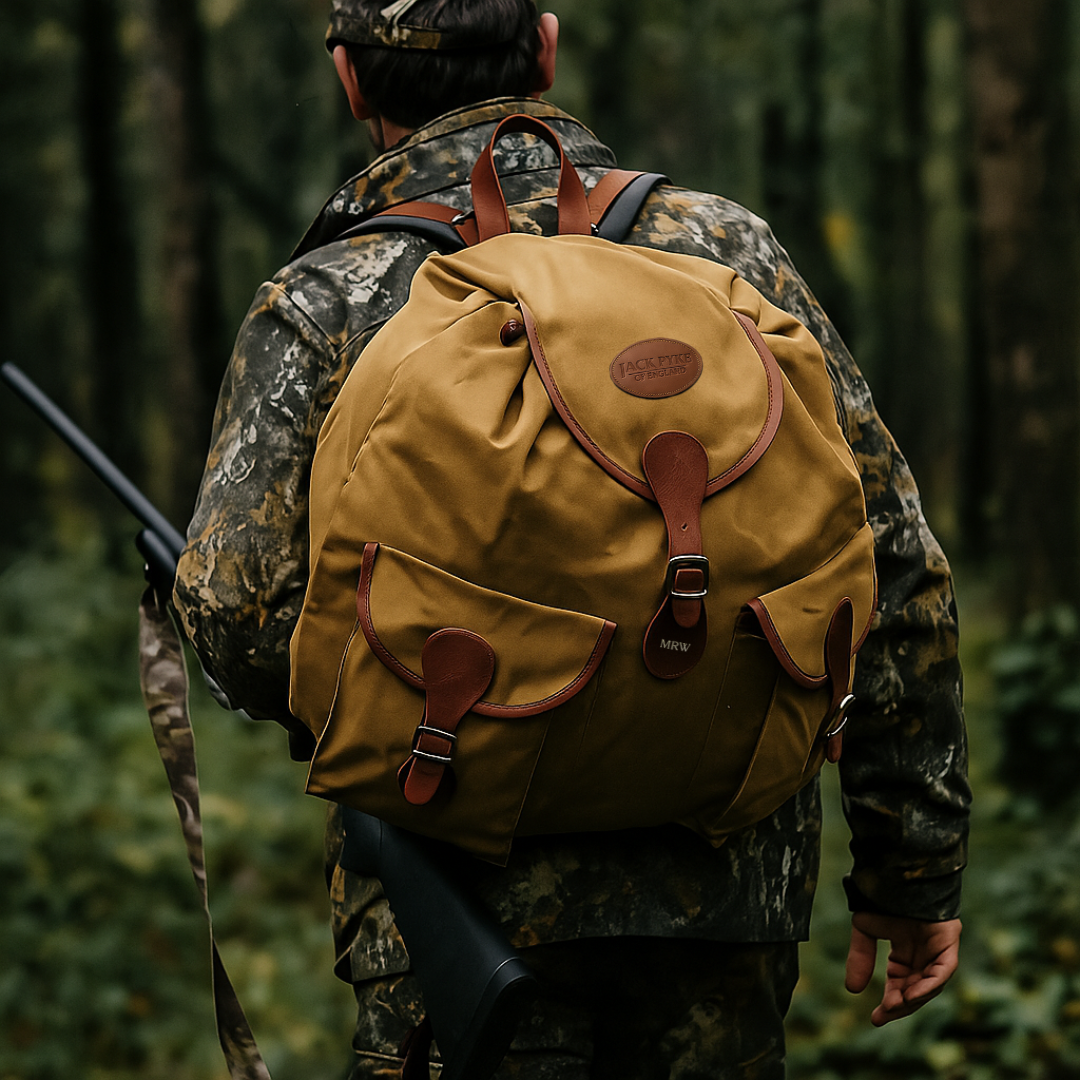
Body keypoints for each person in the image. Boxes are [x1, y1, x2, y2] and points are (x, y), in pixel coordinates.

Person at [173, 1, 970, 1076]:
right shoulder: (726, 249)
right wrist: (909, 866)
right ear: (545, 48)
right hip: (726, 899)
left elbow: (238, 616)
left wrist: (435, 690)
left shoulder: (334, 297)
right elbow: (890, 558)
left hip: (456, 894)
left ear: (351, 81)